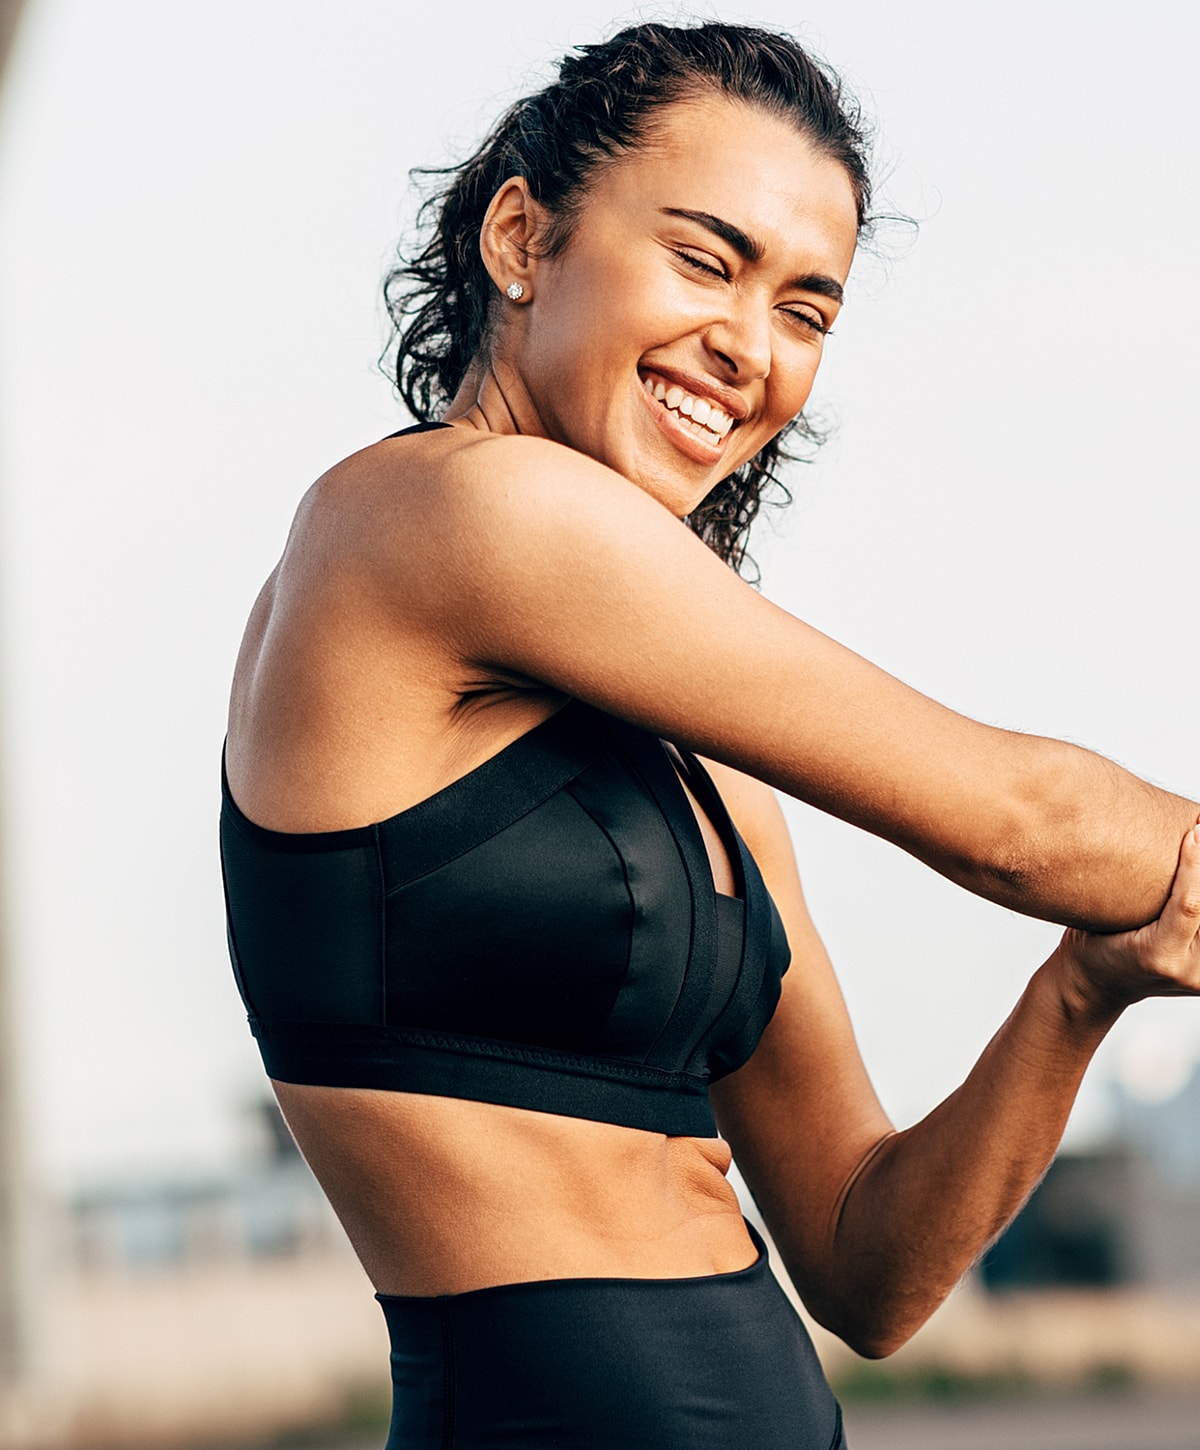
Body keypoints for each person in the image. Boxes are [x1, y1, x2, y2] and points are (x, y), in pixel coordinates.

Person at [218, 21, 1200, 1450]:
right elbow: (1020, 820)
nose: (749, 345)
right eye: (703, 259)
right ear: (519, 235)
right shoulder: (430, 517)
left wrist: (1081, 990)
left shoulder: (695, 760)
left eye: (807, 309)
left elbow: (868, 1263)